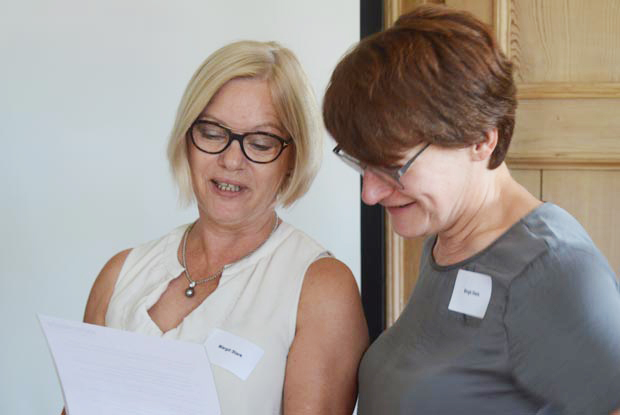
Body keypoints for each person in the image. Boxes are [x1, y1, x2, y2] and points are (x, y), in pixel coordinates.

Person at [323, 5, 620, 415]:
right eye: (362, 164)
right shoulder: (447, 239)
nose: (369, 194)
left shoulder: (551, 272)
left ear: (480, 139)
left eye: (393, 167)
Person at [78, 40, 368, 414]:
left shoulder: (320, 289)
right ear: (187, 139)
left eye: (260, 143)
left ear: (292, 159)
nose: (231, 161)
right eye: (213, 134)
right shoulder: (120, 274)